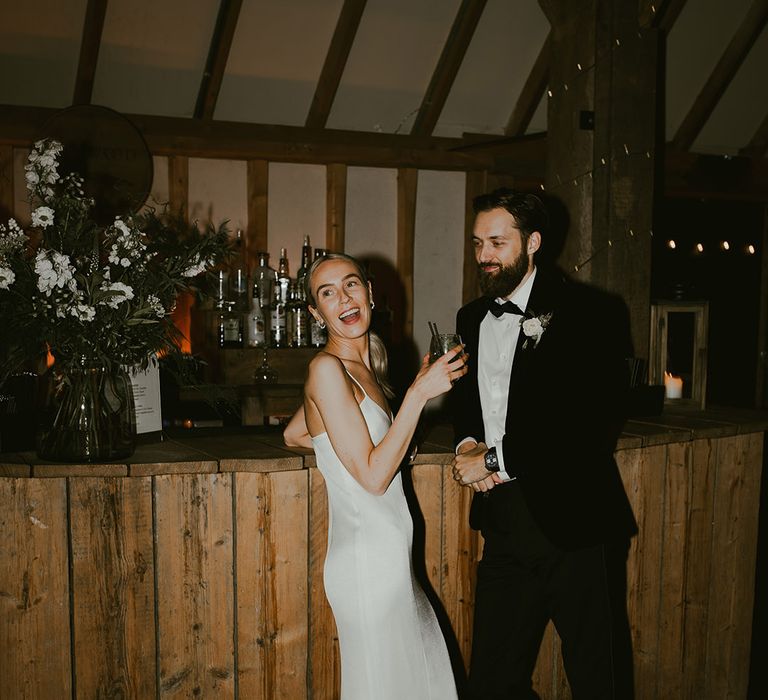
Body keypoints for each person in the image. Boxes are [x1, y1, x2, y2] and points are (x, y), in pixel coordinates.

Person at [451, 189, 637, 699]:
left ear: (532, 242)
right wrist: (469, 444)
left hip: (576, 521)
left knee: (598, 676)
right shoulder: (471, 318)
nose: (484, 254)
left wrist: (493, 458)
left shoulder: (591, 312)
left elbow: (586, 427)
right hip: (504, 524)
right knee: (490, 681)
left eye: (496, 241)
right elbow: (470, 402)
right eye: (477, 243)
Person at [284, 252, 464, 699]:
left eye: (350, 285)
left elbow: (294, 434)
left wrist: (387, 445)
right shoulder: (325, 368)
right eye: (327, 293)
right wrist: (418, 394)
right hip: (367, 565)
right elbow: (371, 478)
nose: (343, 298)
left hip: (391, 561)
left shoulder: (369, 365)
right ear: (315, 313)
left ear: (369, 292)